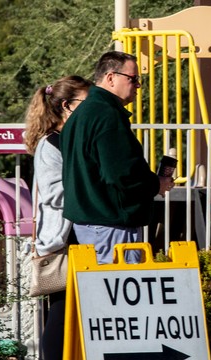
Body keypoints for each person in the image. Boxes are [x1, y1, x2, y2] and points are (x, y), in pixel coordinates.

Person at [61, 51, 173, 265]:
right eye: (133, 79)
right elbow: (122, 174)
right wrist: (155, 183)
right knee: (120, 293)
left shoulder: (80, 114)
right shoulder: (107, 115)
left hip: (89, 223)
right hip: (111, 224)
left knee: (98, 294)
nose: (138, 85)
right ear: (111, 78)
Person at [24, 75, 92, 360]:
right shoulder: (50, 145)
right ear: (67, 106)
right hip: (64, 238)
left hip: (78, 233)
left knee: (78, 311)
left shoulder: (70, 139)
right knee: (62, 311)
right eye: (86, 104)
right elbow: (54, 194)